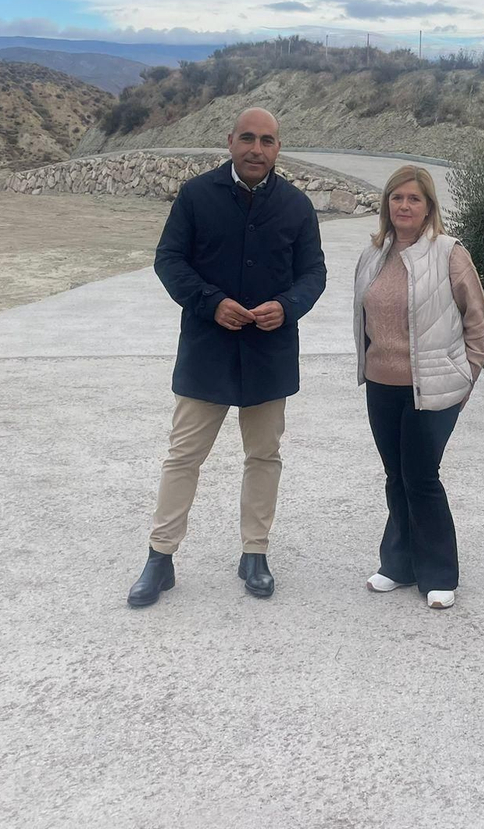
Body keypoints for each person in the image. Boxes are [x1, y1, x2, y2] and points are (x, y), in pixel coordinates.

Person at [127, 108, 327, 606]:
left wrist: (287, 306)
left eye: (267, 141)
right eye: (247, 139)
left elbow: (314, 274)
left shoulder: (298, 206)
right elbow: (168, 259)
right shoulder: (196, 196)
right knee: (183, 456)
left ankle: (254, 552)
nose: (256, 149)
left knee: (264, 455)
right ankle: (160, 556)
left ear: (278, 148)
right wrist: (211, 302)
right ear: (230, 141)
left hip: (269, 354)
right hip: (206, 351)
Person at [352, 165, 484, 610]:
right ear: (386, 205)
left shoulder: (449, 252)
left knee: (421, 476)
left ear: (429, 206)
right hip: (381, 383)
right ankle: (399, 565)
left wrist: (467, 373)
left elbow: (478, 319)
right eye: (396, 198)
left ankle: (438, 573)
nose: (404, 206)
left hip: (433, 386)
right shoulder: (374, 255)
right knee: (397, 476)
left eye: (414, 199)